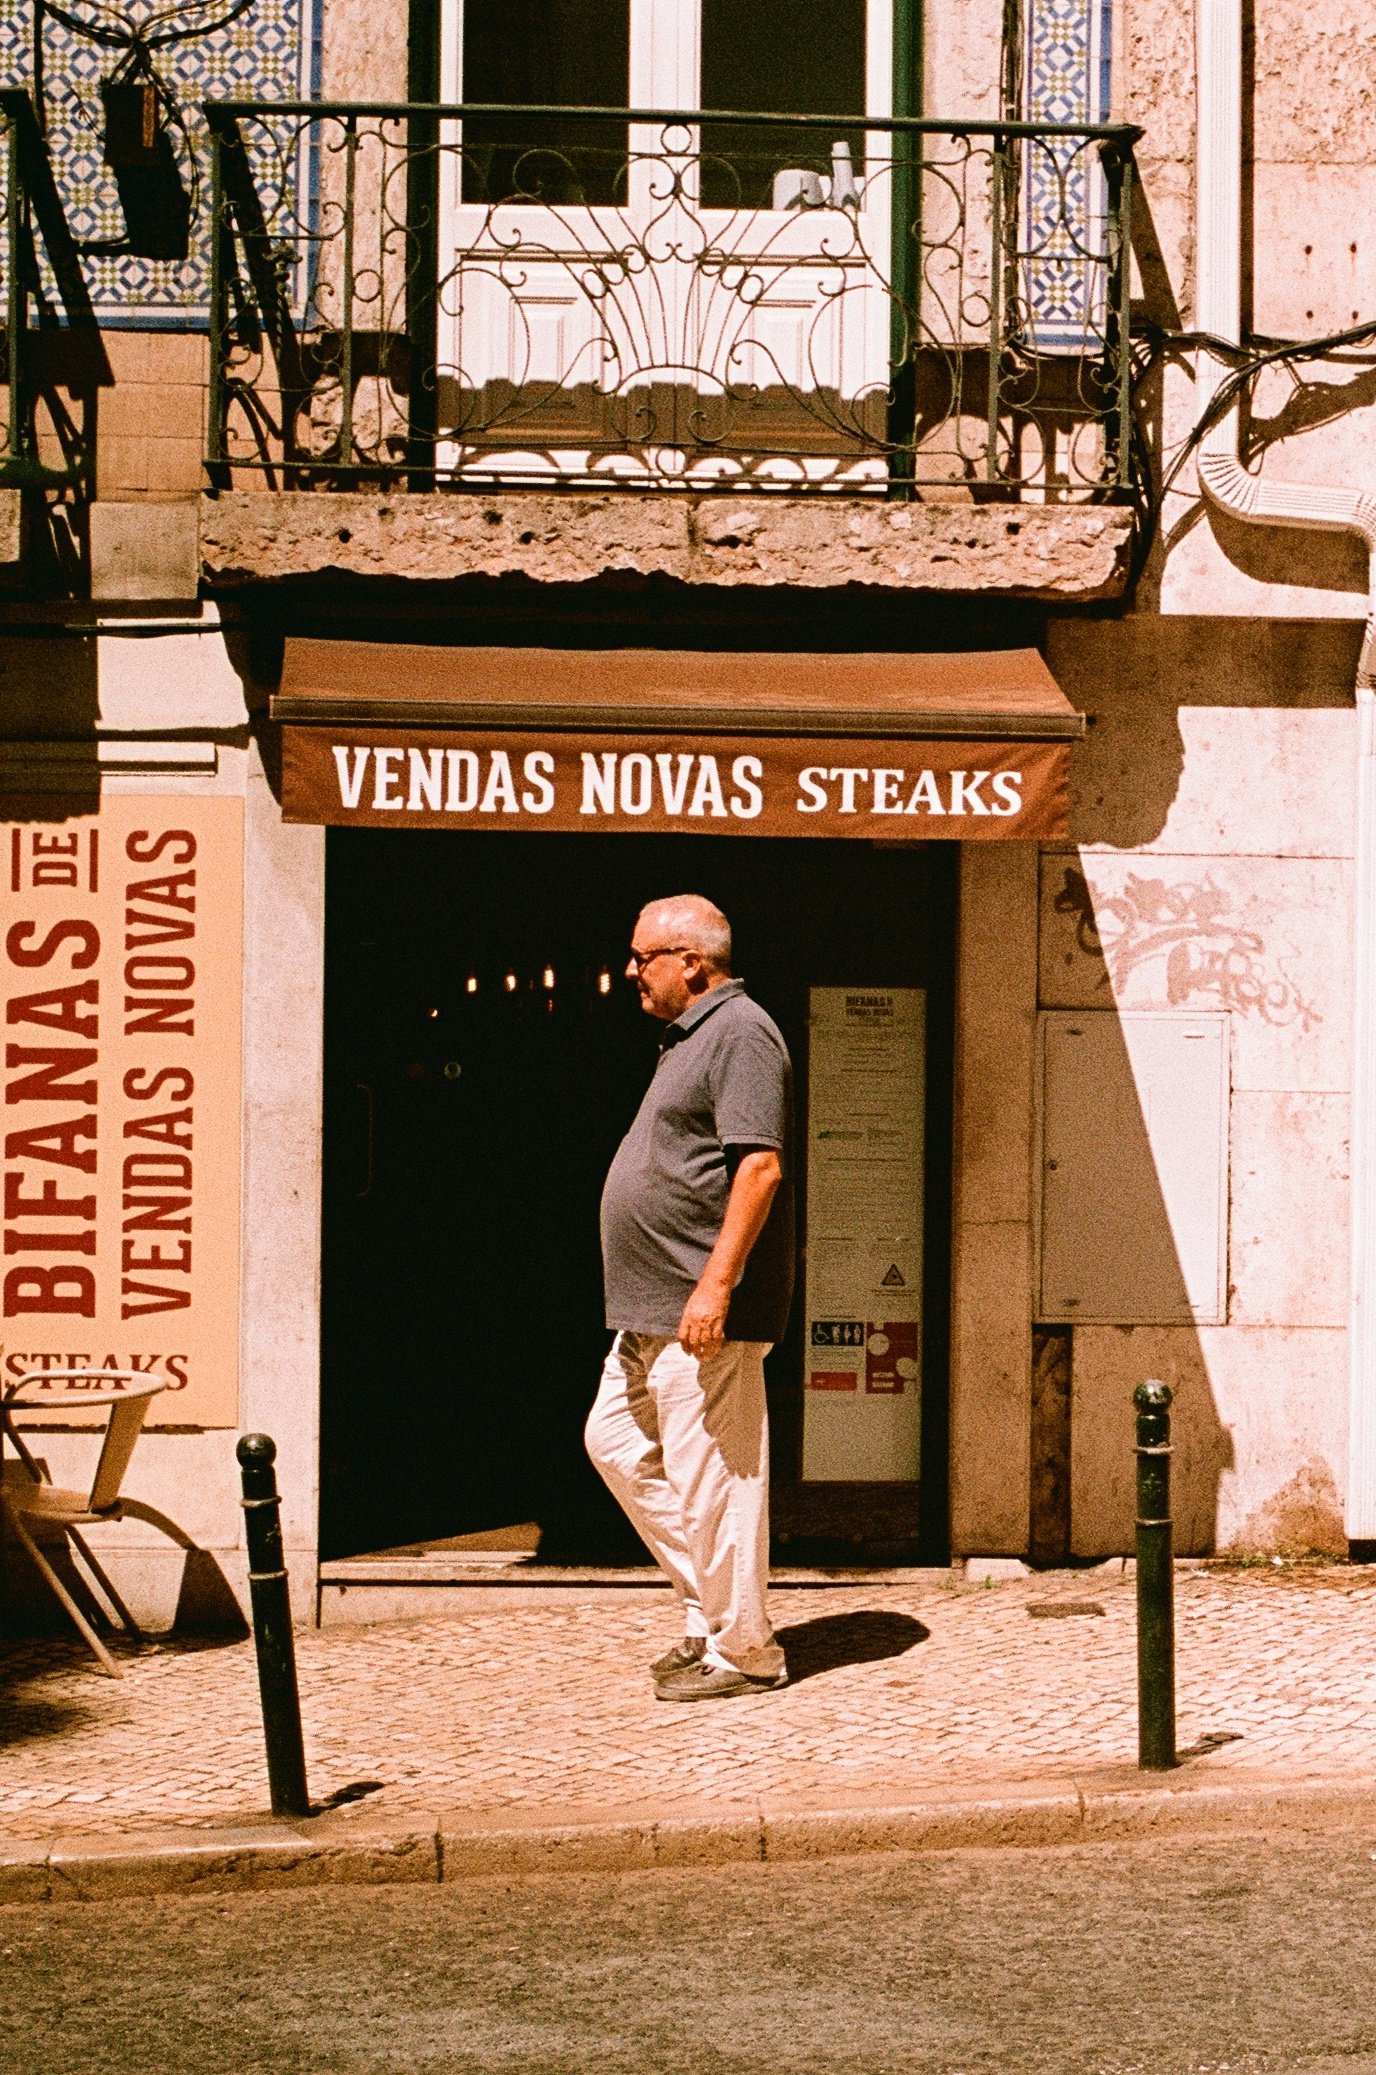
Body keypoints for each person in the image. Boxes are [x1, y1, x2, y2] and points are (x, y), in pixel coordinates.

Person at [586, 893, 794, 1701]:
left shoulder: (741, 1032)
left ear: (692, 963)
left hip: (698, 1307)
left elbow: (759, 1167)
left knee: (718, 1479)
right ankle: (715, 1612)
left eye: (643, 957)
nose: (631, 970)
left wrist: (715, 1285)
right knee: (615, 1444)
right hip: (652, 1309)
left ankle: (747, 1651)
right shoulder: (687, 1040)